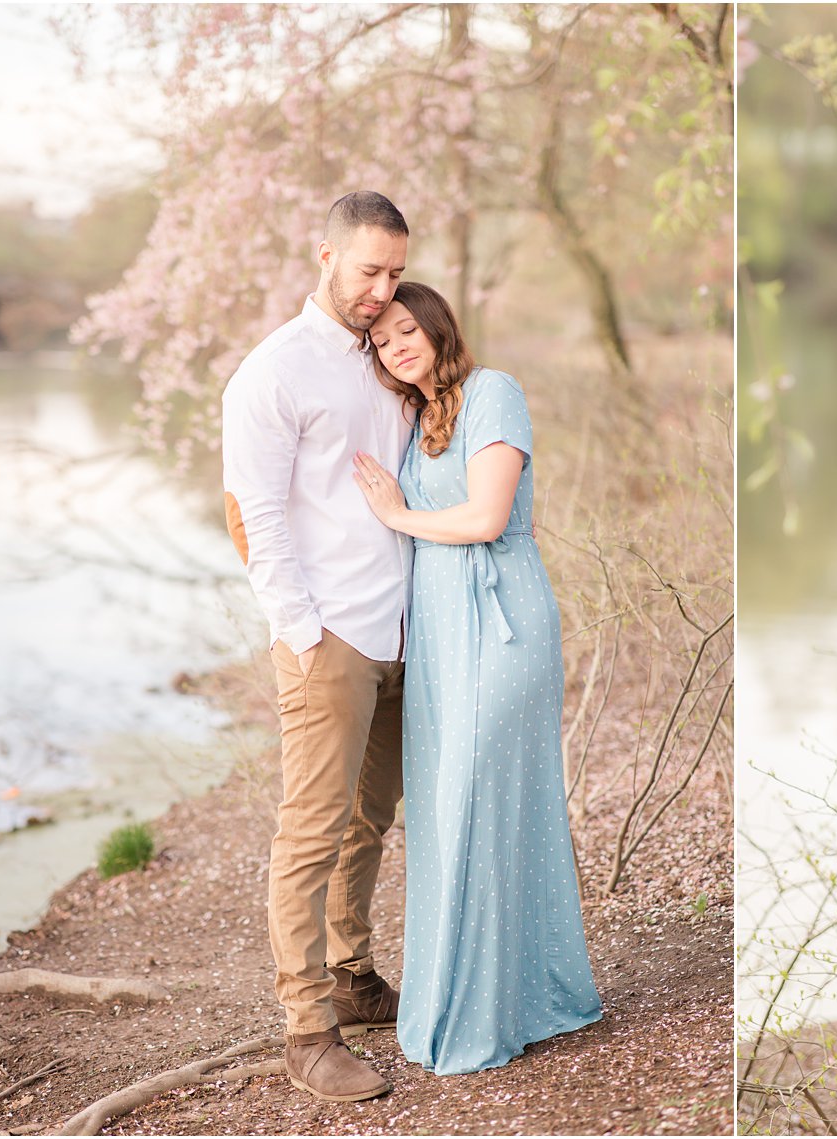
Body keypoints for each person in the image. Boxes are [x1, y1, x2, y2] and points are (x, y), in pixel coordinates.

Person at [352, 281, 602, 1075]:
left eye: (404, 329)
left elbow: (487, 517)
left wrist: (399, 517)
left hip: (502, 623)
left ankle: (491, 1009)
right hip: (438, 635)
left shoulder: (493, 392)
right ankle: (508, 995)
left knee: (482, 800)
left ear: (434, 325)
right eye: (382, 340)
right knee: (447, 809)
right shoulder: (417, 418)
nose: (396, 345)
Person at [222, 190, 411, 1102]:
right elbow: (253, 514)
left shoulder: (386, 356)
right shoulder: (274, 372)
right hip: (327, 637)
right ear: (325, 257)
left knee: (369, 820)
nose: (381, 290)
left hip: (401, 634)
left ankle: (354, 973)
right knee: (309, 835)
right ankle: (307, 1031)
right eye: (369, 270)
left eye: (395, 274)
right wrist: (301, 632)